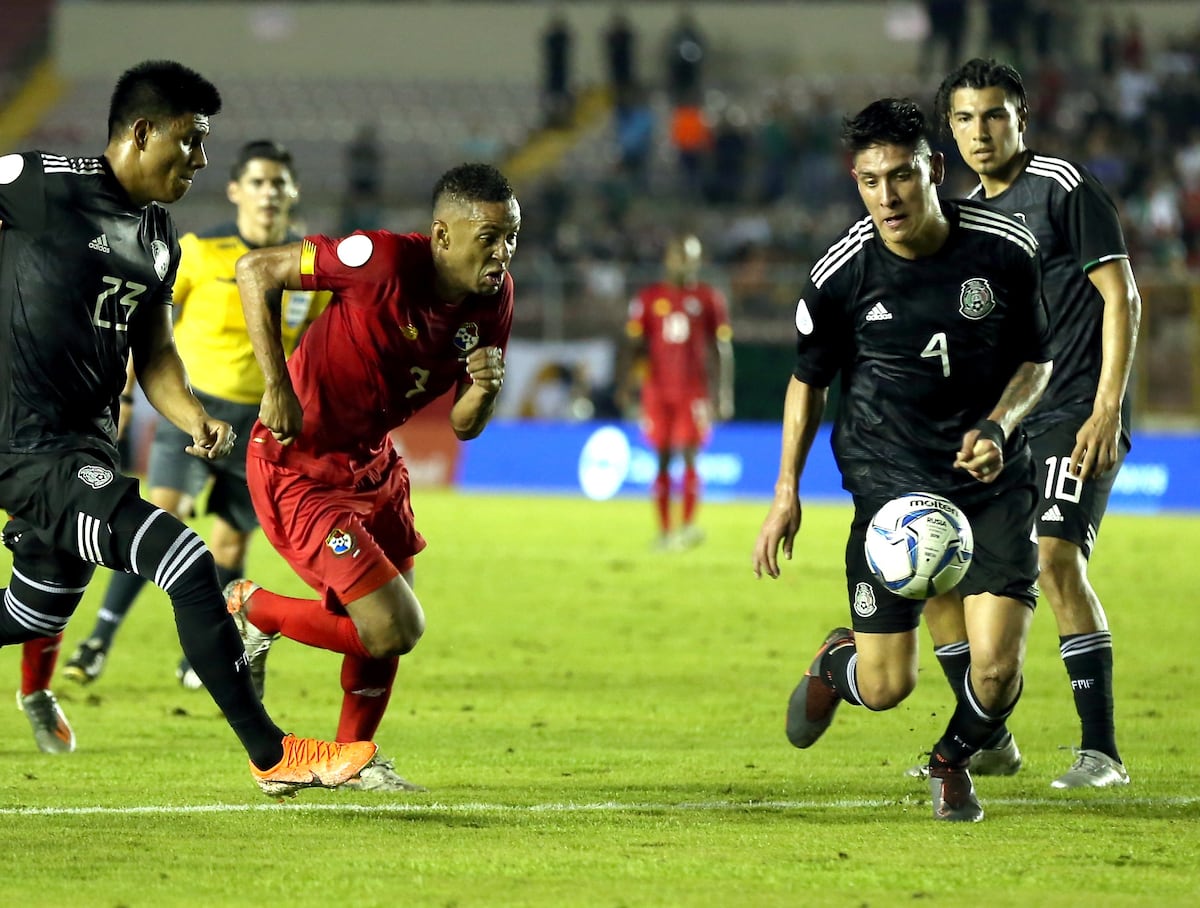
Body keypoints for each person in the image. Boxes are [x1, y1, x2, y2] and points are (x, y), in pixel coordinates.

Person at [0, 59, 375, 794]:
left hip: (85, 446)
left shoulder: (160, 235)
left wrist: (193, 415)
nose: (202, 160)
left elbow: (154, 349)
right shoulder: (40, 180)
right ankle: (274, 754)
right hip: (26, 447)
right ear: (142, 133)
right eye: (191, 140)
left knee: (28, 610)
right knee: (185, 559)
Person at [752, 98, 1053, 822]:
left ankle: (950, 761)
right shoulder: (841, 275)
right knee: (886, 687)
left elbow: (1037, 362)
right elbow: (807, 382)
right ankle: (837, 662)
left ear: (935, 169)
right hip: (892, 487)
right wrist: (785, 489)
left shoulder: (1004, 250)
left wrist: (999, 425)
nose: (886, 196)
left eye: (901, 176)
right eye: (869, 181)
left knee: (998, 663)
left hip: (990, 482)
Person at [225, 162, 519, 792]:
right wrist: (276, 385)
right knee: (393, 627)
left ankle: (351, 758)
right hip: (297, 466)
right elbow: (255, 271)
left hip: (373, 465)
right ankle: (256, 612)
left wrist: (487, 391)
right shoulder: (379, 260)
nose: (503, 254)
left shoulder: (495, 298)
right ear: (443, 236)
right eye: (490, 238)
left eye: (512, 237)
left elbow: (465, 426)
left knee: (383, 635)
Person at [927, 58, 1140, 788]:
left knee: (1055, 558)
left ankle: (1102, 753)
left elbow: (1123, 298)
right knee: (942, 565)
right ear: (949, 130)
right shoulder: (963, 220)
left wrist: (1107, 405)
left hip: (1078, 408)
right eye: (964, 118)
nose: (979, 132)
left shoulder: (1062, 188)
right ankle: (988, 738)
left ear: (1022, 118)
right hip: (1008, 424)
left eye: (993, 115)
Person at [62, 140, 330, 691]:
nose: (268, 193)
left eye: (279, 183)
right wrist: (128, 399)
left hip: (260, 426)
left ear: (293, 192)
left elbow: (317, 351)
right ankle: (99, 640)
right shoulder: (200, 252)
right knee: (165, 512)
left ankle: (202, 654)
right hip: (191, 409)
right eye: (257, 182)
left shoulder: (306, 268)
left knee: (231, 543)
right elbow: (146, 327)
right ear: (235, 191)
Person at [617, 234, 733, 550]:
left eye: (689, 256)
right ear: (668, 259)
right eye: (677, 255)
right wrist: (628, 385)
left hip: (693, 391)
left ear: (697, 260)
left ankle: (688, 527)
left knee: (691, 455)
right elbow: (635, 345)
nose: (682, 262)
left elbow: (721, 348)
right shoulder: (649, 298)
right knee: (663, 459)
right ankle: (666, 531)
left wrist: (723, 394)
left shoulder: (709, 298)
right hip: (658, 390)